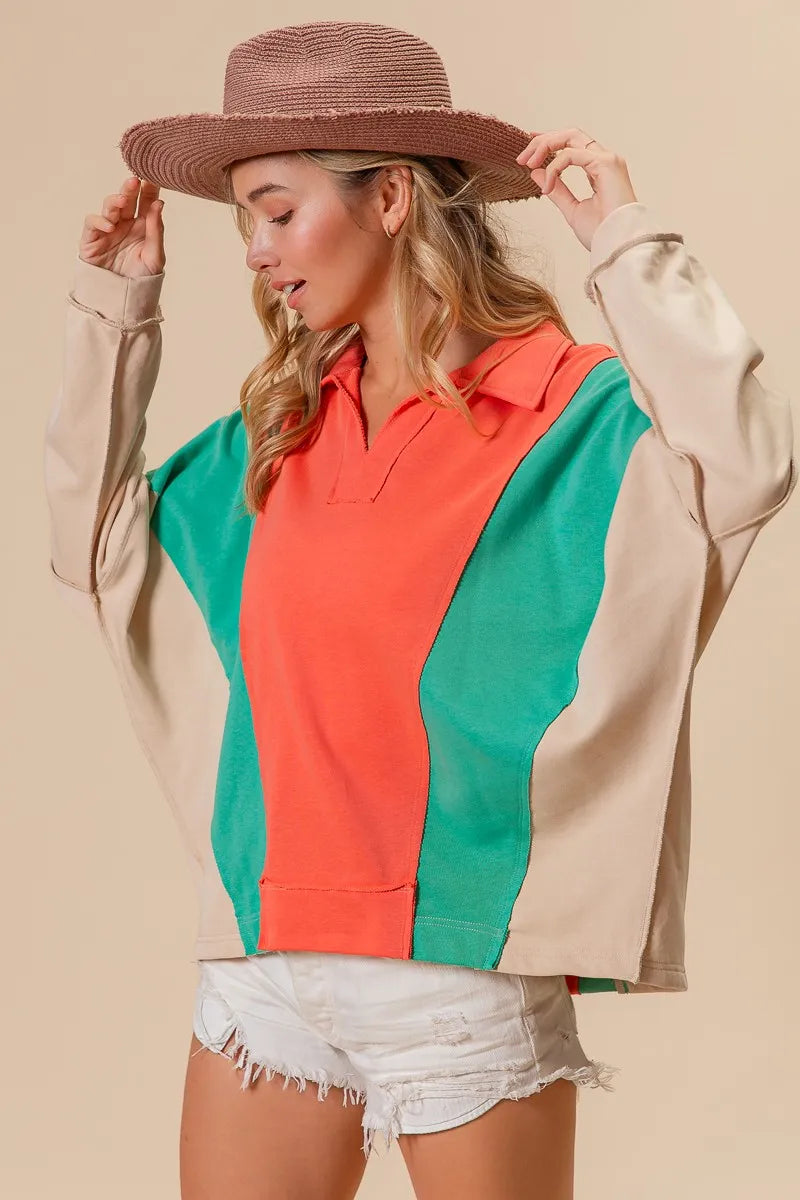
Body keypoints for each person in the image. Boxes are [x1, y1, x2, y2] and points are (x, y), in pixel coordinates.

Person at [43, 20, 796, 1200]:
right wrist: (115, 311)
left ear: (390, 197)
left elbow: (745, 464)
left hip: (461, 970)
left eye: (277, 211)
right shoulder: (281, 429)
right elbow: (91, 545)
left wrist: (625, 242)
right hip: (265, 967)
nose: (256, 250)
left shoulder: (568, 412)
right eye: (243, 220)